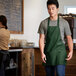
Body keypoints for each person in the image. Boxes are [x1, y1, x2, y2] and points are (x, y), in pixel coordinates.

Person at [38, 0, 73, 76]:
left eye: (53, 8)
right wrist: (42, 53)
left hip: (60, 52)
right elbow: (41, 39)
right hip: (48, 53)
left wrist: (71, 50)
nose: (51, 11)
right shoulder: (43, 23)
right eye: (49, 8)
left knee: (60, 74)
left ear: (57, 9)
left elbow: (69, 38)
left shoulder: (64, 23)